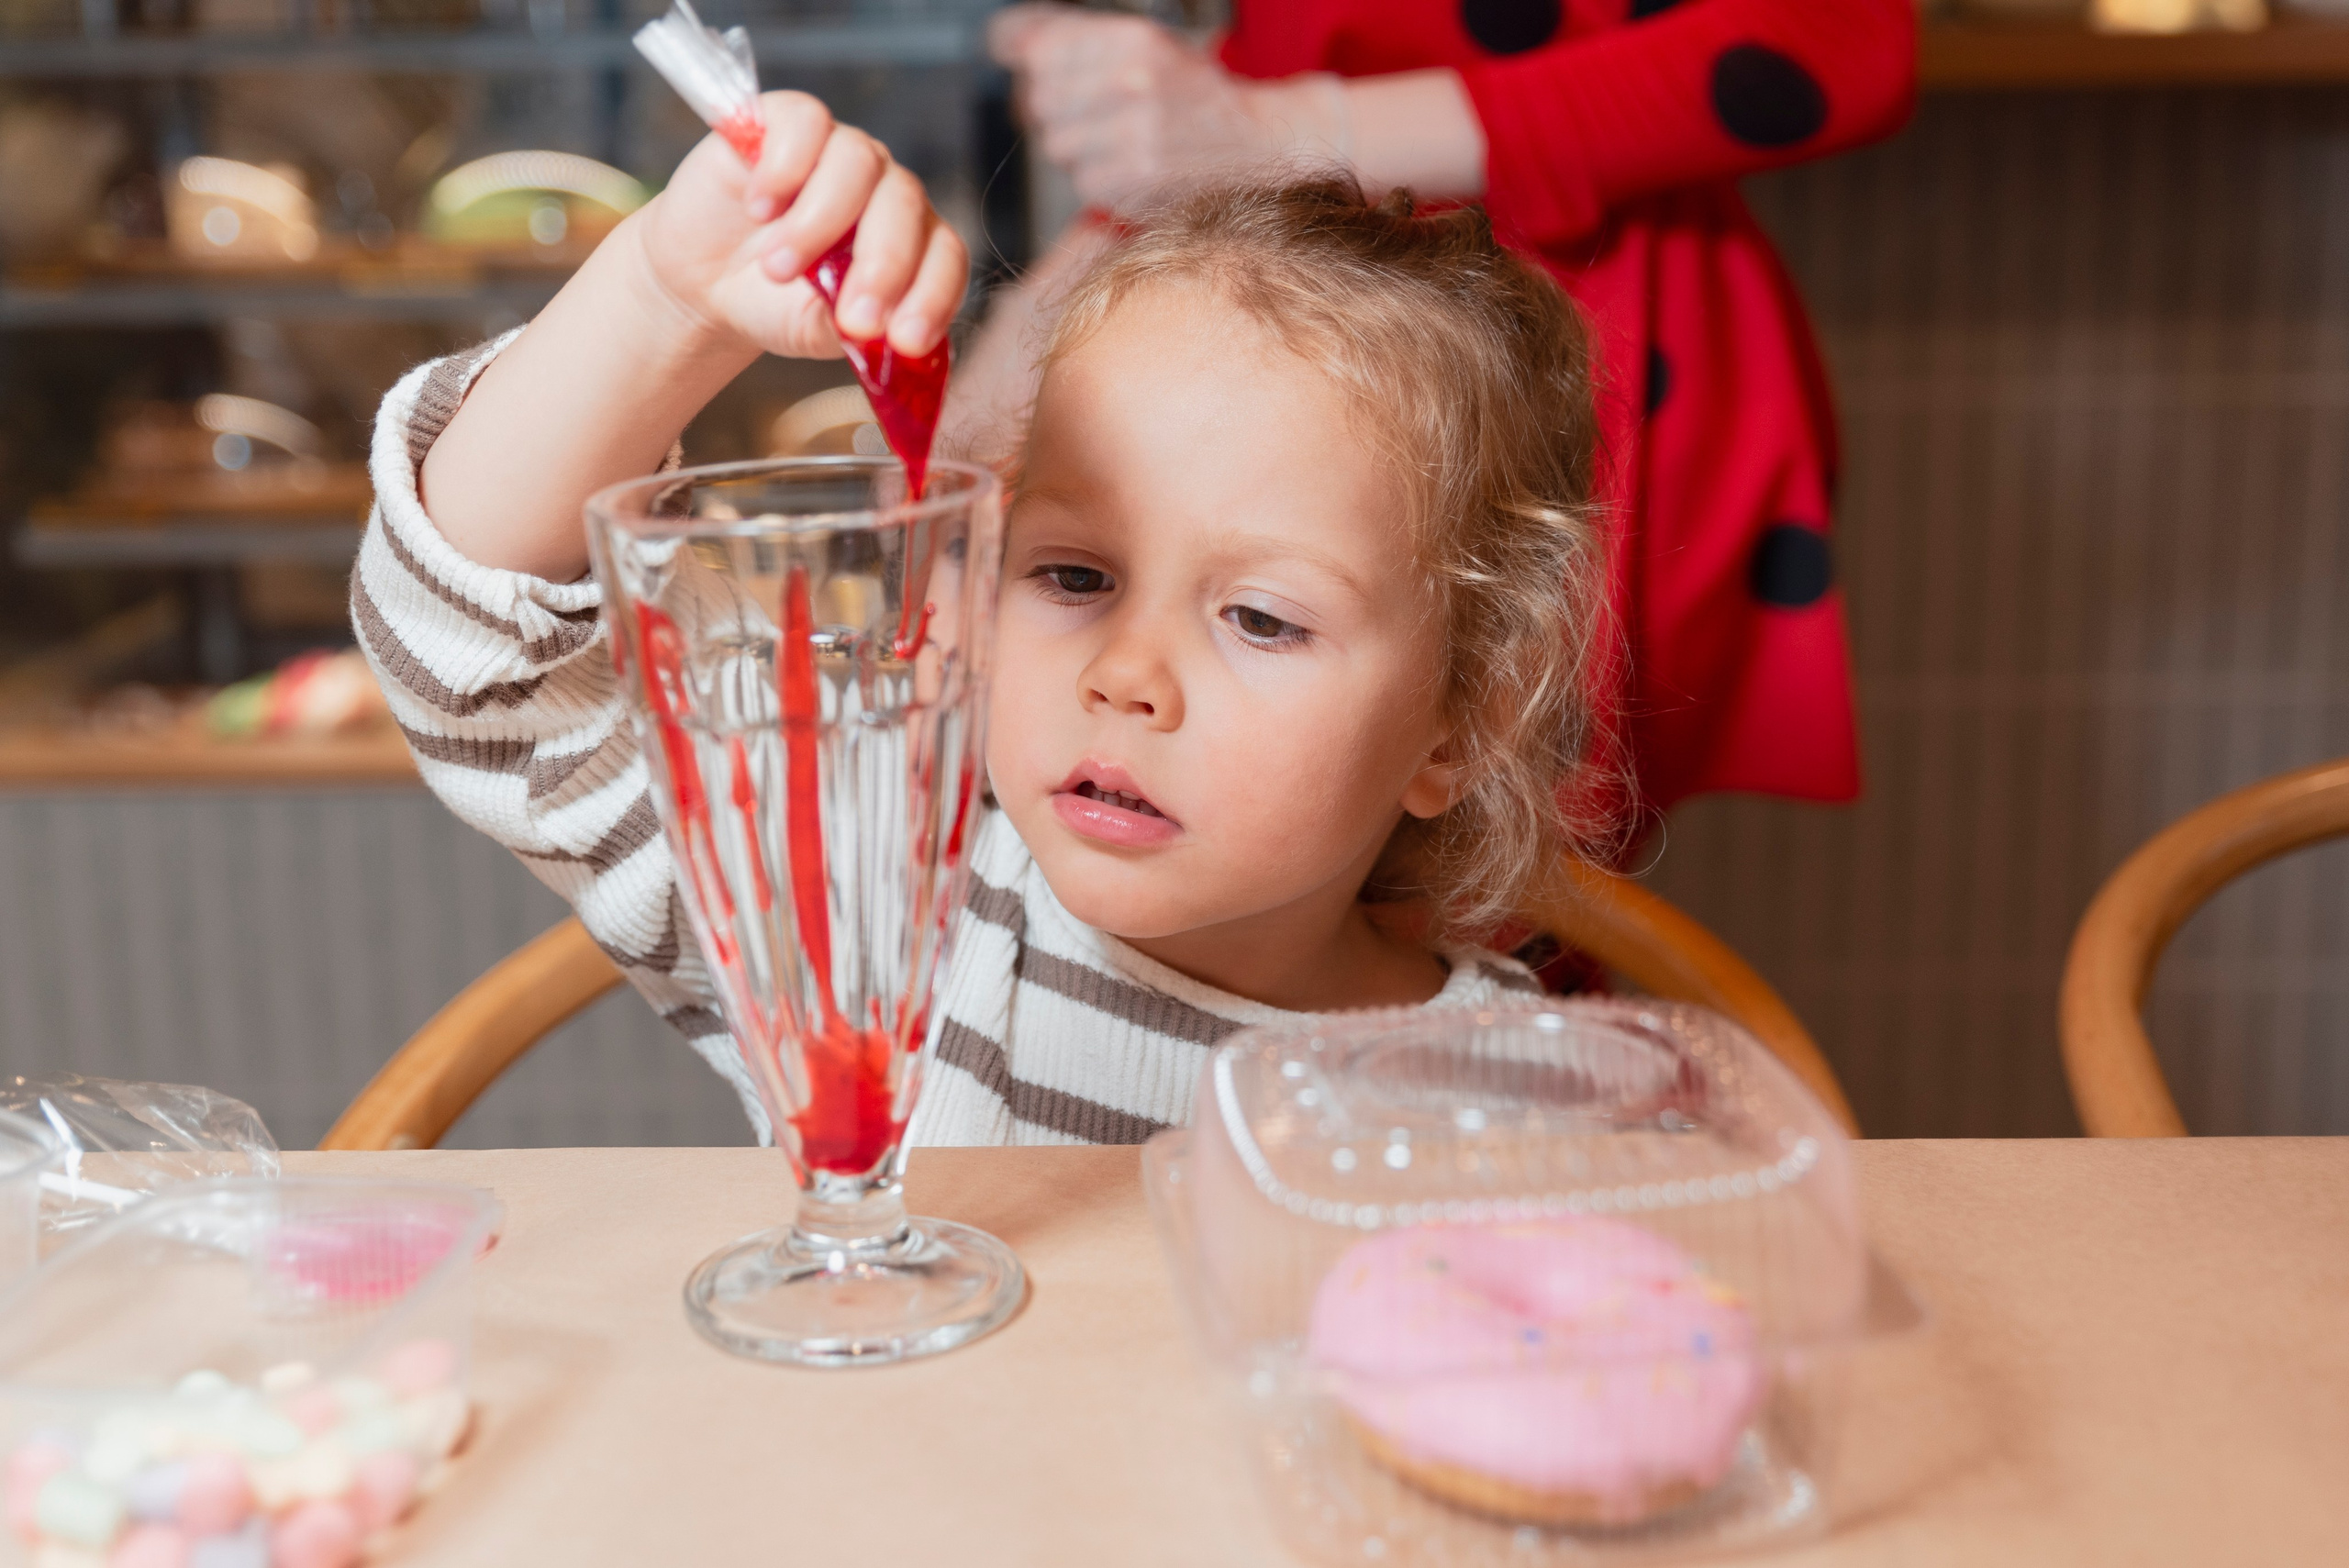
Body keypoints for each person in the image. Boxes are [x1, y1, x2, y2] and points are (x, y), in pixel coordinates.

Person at [352, 93, 1609, 1146]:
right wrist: (661, 301)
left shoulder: (1532, 1110)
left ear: (1461, 720)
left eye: (1263, 620)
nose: (1127, 677)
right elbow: (479, 646)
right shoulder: (877, 914)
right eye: (1074, 577)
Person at [985, 1, 1917, 817]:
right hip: (1285, 283)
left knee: (1469, 892)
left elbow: (1835, 36)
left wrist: (1290, 127)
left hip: (1545, 344)